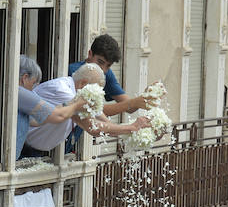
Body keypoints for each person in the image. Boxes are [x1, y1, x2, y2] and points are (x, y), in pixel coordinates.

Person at [22, 65, 152, 156]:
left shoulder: (78, 93)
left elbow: (103, 119)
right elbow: (93, 127)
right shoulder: (64, 91)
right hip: (25, 148)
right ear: (83, 84)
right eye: (95, 94)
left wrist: (139, 132)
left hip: (40, 151)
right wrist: (131, 128)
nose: (94, 100)